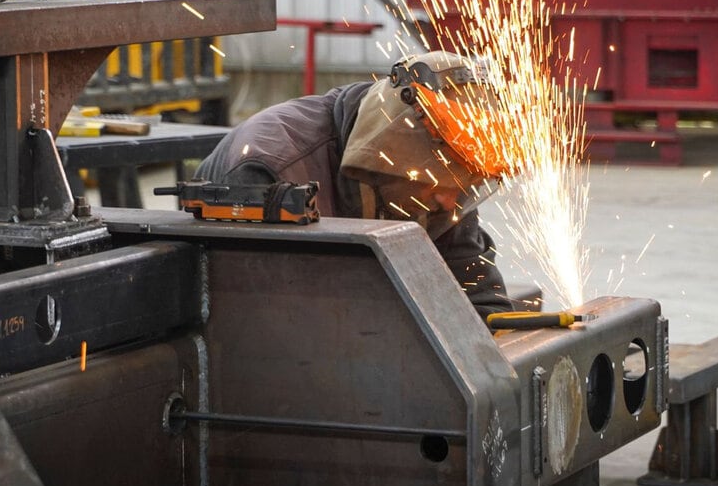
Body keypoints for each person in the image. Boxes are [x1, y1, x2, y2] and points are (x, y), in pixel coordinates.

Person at [194, 50, 515, 320]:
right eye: (442, 184)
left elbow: (482, 306)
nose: (449, 202)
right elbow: (266, 331)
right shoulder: (269, 172)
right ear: (394, 151)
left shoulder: (443, 188)